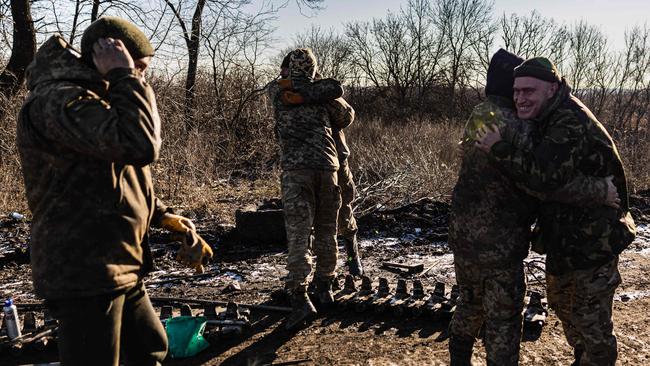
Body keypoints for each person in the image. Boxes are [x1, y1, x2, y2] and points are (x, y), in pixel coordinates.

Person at [16, 17, 213, 365]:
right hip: (84, 269)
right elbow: (138, 145)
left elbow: (113, 172)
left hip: (117, 262)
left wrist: (162, 214)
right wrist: (124, 77)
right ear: (106, 58)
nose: (142, 77)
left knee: (150, 348)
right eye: (139, 68)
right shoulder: (59, 101)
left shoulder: (93, 98)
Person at [449, 50, 619, 366]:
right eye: (517, 89)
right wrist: (600, 190)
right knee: (504, 315)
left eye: (528, 90)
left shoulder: (480, 114)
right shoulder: (520, 126)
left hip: (464, 233)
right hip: (500, 239)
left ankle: (459, 358)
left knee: (470, 301)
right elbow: (543, 183)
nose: (521, 97)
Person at [269, 48, 354, 330]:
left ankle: (300, 297)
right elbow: (345, 114)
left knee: (298, 233)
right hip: (328, 168)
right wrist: (317, 90)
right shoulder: (322, 96)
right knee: (327, 230)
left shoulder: (280, 91)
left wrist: (308, 91)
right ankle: (324, 286)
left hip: (297, 171)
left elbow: (343, 108)